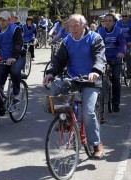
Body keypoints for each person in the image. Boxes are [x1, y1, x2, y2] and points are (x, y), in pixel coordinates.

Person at [43, 14, 106, 159]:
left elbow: (100, 57)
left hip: (91, 80)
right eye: (70, 26)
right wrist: (50, 73)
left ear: (84, 25)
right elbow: (59, 60)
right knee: (56, 86)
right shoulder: (67, 41)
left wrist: (95, 71)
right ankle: (63, 120)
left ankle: (96, 144)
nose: (72, 29)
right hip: (73, 79)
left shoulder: (94, 38)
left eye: (75, 25)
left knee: (87, 112)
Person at [98, 13, 127, 112]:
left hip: (115, 58)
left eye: (110, 21)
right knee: (97, 78)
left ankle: (116, 103)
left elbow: (123, 43)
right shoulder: (100, 31)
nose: (107, 22)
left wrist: (122, 53)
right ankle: (98, 100)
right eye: (105, 21)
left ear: (114, 22)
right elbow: (95, 45)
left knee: (115, 78)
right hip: (103, 58)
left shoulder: (118, 31)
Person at [116, 10, 131, 79]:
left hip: (129, 43)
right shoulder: (118, 23)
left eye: (126, 16)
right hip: (121, 43)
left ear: (129, 16)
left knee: (128, 55)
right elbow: (115, 32)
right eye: (123, 16)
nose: (124, 17)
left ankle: (128, 72)